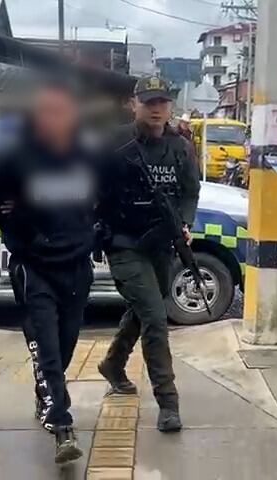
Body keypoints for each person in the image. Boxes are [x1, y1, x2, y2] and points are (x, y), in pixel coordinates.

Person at [0, 79, 99, 465]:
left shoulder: (86, 154)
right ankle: (62, 425)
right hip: (34, 267)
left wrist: (93, 232)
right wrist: (24, 235)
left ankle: (45, 393)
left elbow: (103, 198)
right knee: (47, 348)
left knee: (65, 345)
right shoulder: (16, 157)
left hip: (77, 266)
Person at [96, 75, 200, 432]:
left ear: (170, 106)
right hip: (124, 243)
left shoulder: (181, 147)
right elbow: (91, 189)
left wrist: (184, 222)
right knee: (156, 316)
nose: (156, 109)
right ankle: (168, 401)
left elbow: (190, 192)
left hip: (160, 243)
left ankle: (113, 363)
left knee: (145, 310)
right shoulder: (113, 142)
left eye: (162, 102)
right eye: (148, 102)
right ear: (133, 104)